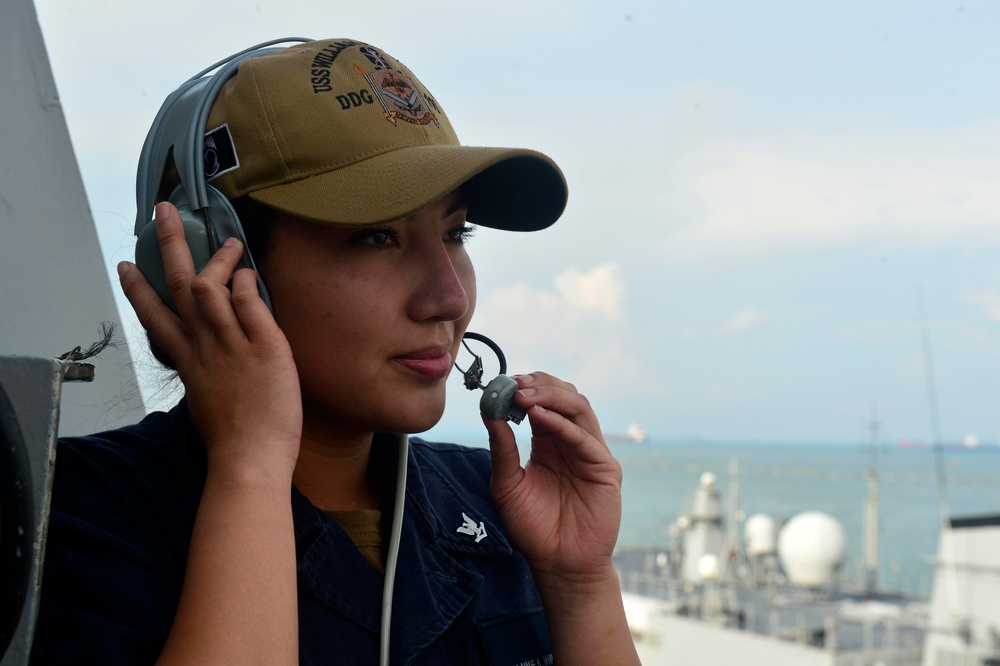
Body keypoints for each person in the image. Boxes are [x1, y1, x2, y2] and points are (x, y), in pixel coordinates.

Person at [31, 38, 640, 665]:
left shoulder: (497, 505)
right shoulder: (74, 514)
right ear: (218, 258)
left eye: (456, 233)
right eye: (377, 237)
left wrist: (580, 586)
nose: (449, 298)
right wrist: (251, 465)